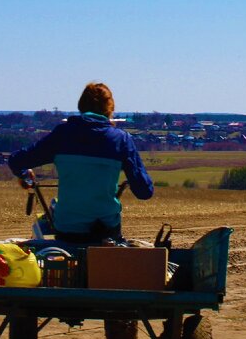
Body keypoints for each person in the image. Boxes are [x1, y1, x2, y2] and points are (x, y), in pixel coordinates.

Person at [8, 82, 154, 241]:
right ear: (110, 109)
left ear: (81, 106)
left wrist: (26, 175)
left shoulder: (63, 135)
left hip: (68, 229)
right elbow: (144, 192)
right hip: (106, 229)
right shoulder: (121, 140)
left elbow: (16, 161)